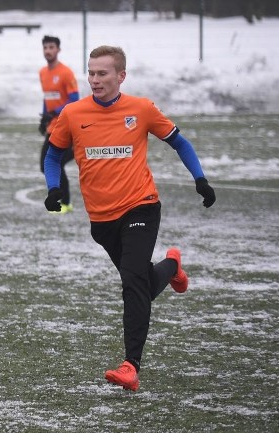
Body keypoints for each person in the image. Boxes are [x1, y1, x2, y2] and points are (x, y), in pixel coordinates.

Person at [43, 45, 216, 392]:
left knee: (133, 283)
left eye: (102, 73)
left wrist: (200, 178)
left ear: (121, 76)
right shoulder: (73, 113)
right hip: (102, 221)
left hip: (141, 206)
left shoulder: (141, 109)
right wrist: (53, 188)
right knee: (141, 285)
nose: (94, 79)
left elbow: (180, 143)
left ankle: (130, 366)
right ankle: (172, 267)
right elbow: (53, 154)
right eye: (91, 73)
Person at [38, 35, 79, 214]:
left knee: (56, 163)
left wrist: (54, 113)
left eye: (51, 47)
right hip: (51, 127)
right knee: (45, 165)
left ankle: (66, 203)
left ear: (58, 49)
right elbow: (48, 97)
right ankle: (64, 201)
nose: (48, 51)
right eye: (45, 47)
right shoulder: (43, 72)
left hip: (65, 127)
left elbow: (74, 100)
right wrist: (44, 118)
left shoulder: (66, 73)